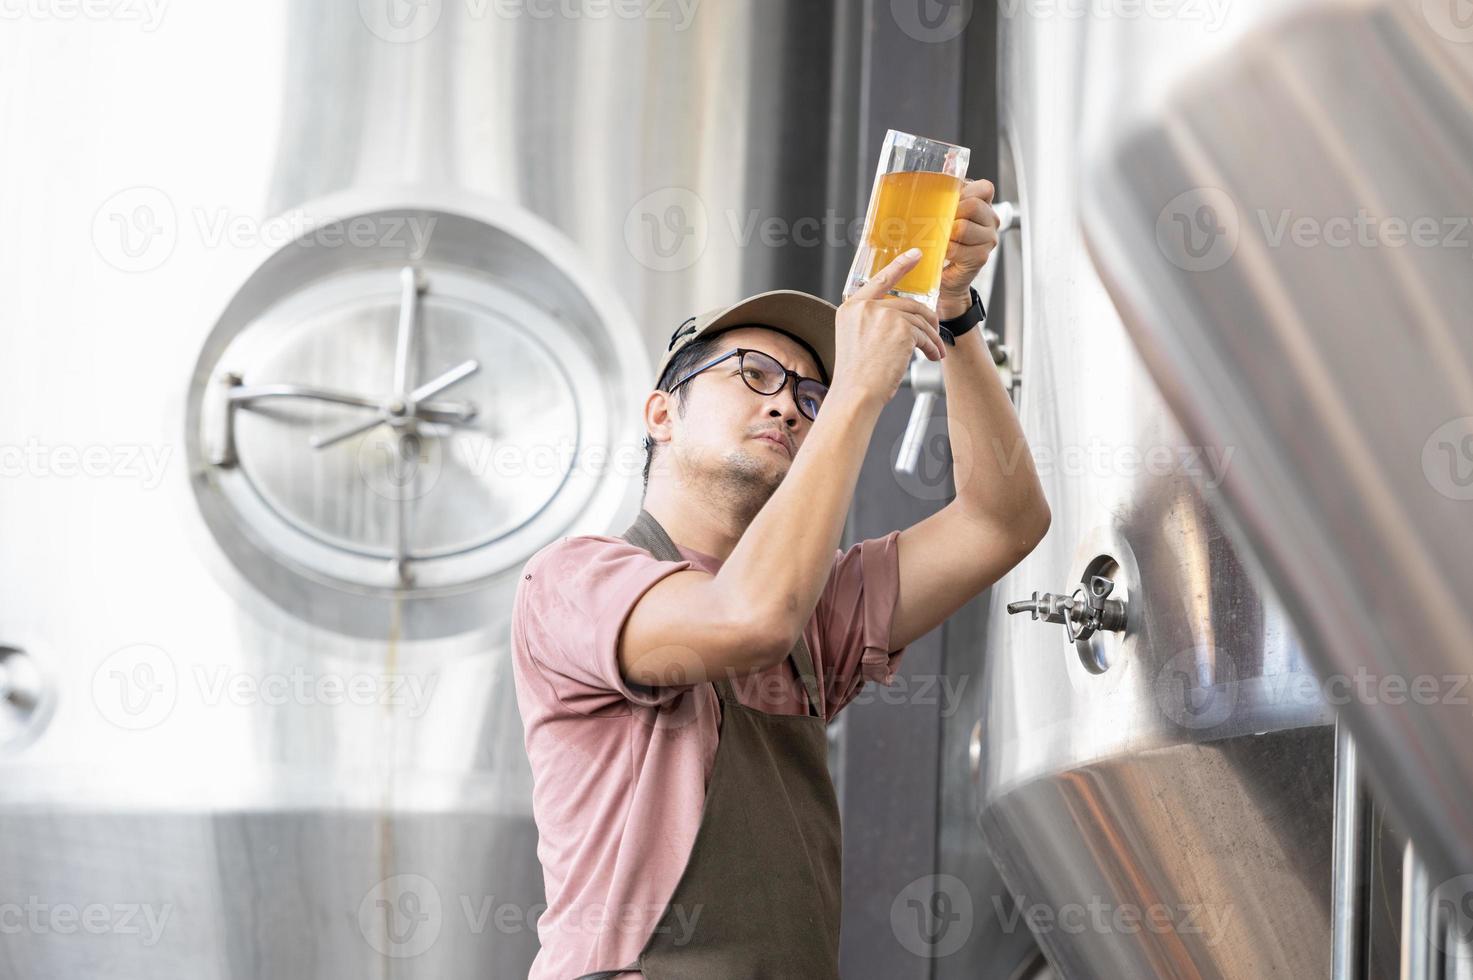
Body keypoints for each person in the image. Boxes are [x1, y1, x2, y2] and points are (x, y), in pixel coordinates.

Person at [511, 178, 1050, 979]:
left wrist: (956, 318)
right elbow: (745, 620)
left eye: (807, 393)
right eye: (754, 373)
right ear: (661, 414)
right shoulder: (575, 581)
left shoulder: (815, 606)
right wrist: (856, 392)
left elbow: (1002, 522)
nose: (791, 408)